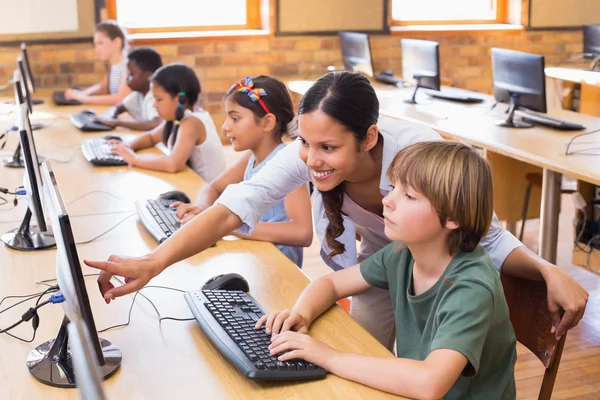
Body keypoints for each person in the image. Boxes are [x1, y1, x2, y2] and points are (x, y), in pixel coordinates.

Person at [85, 71, 588, 348]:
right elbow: (235, 207)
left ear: (370, 137)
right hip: (378, 269)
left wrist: (546, 270)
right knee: (353, 358)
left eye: (327, 147)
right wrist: (154, 264)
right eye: (304, 143)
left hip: (443, 278)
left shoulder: (417, 155)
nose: (311, 159)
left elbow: (486, 235)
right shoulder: (309, 154)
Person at [256, 140, 517, 399]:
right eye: (393, 187)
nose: (388, 201)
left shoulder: (470, 287)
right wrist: (300, 315)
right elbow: (331, 284)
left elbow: (430, 383)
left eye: (409, 196)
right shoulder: (403, 252)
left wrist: (328, 356)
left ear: (453, 218)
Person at [172, 76, 312, 267]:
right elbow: (214, 188)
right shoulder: (252, 157)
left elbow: (302, 232)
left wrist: (228, 226)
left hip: (278, 269)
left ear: (267, 123)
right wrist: (203, 210)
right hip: (255, 258)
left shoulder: (287, 162)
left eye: (235, 118)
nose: (225, 126)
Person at [108, 63, 226, 181]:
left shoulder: (192, 122)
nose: (154, 105)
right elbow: (151, 137)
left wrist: (134, 159)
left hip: (209, 192)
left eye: (159, 99)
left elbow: (173, 164)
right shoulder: (178, 117)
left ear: (180, 99)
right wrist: (127, 146)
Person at [95, 47, 163, 131]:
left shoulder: (154, 97)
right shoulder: (138, 94)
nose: (126, 78)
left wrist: (117, 122)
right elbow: (118, 107)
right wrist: (109, 117)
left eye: (131, 74)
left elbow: (155, 124)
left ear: (148, 75)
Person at [64, 20, 131, 105]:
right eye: (95, 44)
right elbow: (102, 87)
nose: (96, 49)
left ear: (117, 42)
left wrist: (85, 99)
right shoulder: (114, 66)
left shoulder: (129, 66)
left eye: (100, 43)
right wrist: (83, 93)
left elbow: (120, 99)